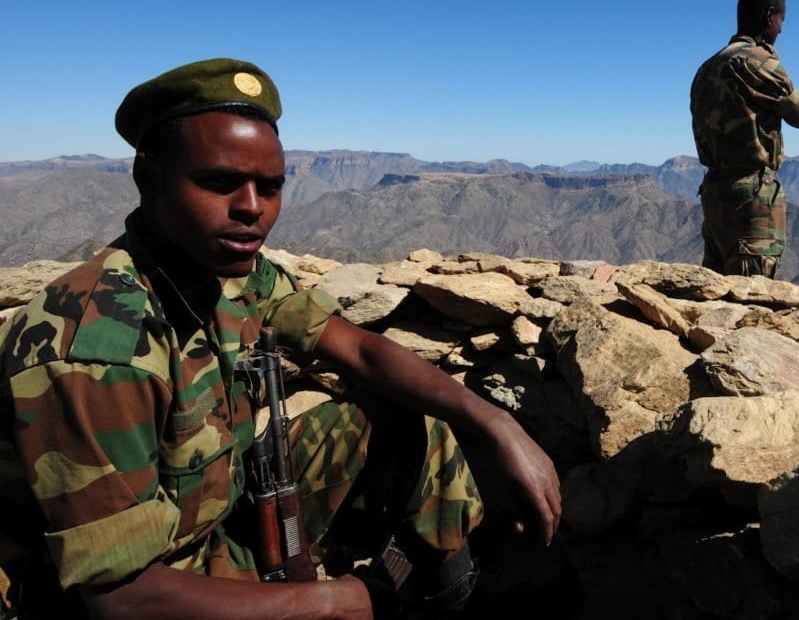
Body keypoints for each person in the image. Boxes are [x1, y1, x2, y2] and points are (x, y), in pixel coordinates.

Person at [0, 58, 561, 619]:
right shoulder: (98, 350)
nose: (251, 207)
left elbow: (359, 350)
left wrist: (497, 424)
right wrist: (335, 600)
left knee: (418, 423)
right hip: (150, 589)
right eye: (219, 181)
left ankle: (449, 597)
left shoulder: (225, 270)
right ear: (149, 176)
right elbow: (120, 599)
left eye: (269, 187)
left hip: (219, 518)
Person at [689, 0, 799, 278]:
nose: (781, 29)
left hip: (715, 193)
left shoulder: (706, 68)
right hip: (751, 198)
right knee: (753, 293)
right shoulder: (759, 61)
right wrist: (774, 62)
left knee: (717, 288)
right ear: (769, 16)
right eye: (781, 19)